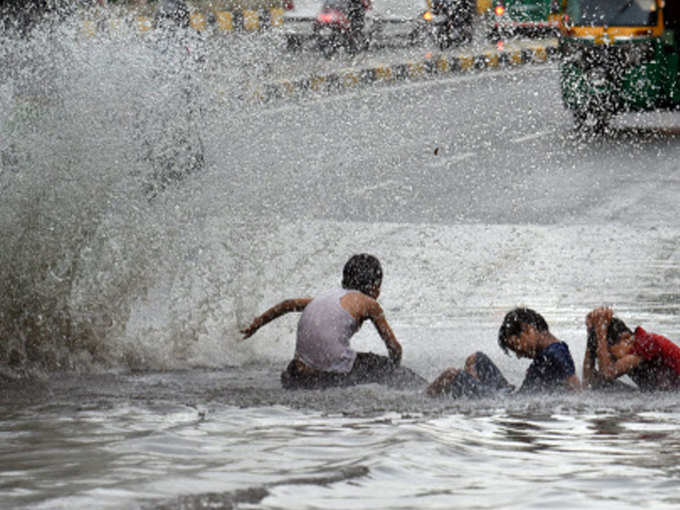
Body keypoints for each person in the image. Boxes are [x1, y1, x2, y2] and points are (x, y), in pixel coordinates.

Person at [241, 254, 425, 390]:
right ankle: (428, 391)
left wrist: (256, 324)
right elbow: (394, 347)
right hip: (330, 374)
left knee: (310, 363)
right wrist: (394, 370)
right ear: (376, 286)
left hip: (299, 374)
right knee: (386, 367)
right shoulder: (370, 304)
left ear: (344, 280)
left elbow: (288, 304)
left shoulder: (324, 297)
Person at [428, 307, 580, 398]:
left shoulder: (555, 352)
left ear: (528, 329)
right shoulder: (554, 349)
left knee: (450, 376)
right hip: (510, 394)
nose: (519, 355)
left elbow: (576, 388)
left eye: (516, 346)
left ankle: (423, 400)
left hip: (509, 402)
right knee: (476, 358)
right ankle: (473, 395)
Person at [584, 306, 680, 391]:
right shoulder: (630, 348)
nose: (608, 359)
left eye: (609, 353)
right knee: (600, 385)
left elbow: (607, 373)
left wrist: (601, 332)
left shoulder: (647, 343)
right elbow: (589, 380)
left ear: (626, 339)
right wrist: (592, 334)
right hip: (665, 391)